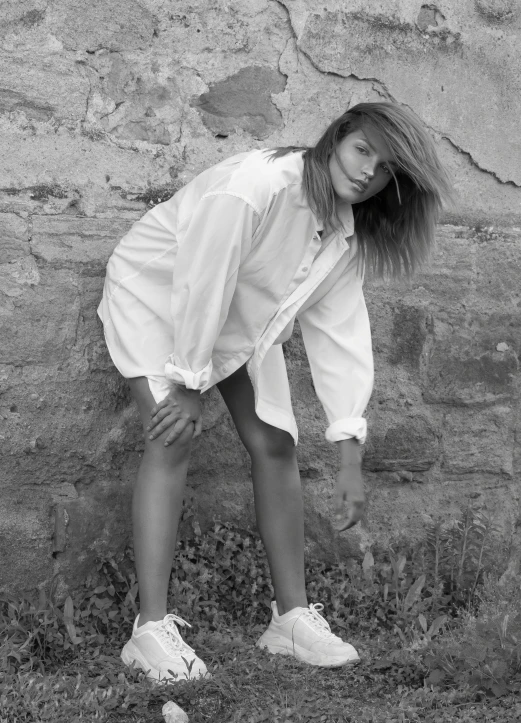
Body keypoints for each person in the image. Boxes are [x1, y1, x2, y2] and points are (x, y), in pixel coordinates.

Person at [97, 101, 452, 682]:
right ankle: (149, 630)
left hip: (234, 312)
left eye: (385, 168)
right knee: (173, 436)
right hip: (159, 291)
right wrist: (189, 381)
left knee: (276, 442)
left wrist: (349, 449)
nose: (367, 173)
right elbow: (201, 276)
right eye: (363, 150)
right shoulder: (254, 185)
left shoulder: (343, 231)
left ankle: (290, 621)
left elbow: (341, 333)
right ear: (335, 138)